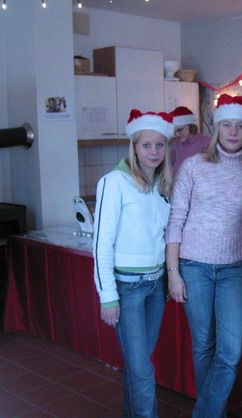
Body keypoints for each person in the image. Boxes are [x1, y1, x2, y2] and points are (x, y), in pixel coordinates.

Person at [165, 94, 242, 417]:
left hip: (234, 270)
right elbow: (176, 219)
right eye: (227, 125)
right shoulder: (194, 166)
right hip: (193, 266)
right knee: (203, 345)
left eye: (240, 126)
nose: (233, 132)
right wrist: (173, 272)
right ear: (217, 129)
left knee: (231, 351)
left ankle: (204, 413)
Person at [93, 109, 174, 418]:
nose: (154, 152)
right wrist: (108, 296)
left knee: (138, 366)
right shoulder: (114, 182)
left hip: (155, 287)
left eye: (159, 145)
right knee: (142, 371)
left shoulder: (162, 184)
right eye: (146, 145)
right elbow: (101, 244)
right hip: (127, 290)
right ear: (134, 147)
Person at [169, 106, 211, 174]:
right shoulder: (175, 144)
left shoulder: (207, 142)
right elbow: (170, 171)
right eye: (175, 131)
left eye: (180, 129)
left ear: (190, 126)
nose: (177, 134)